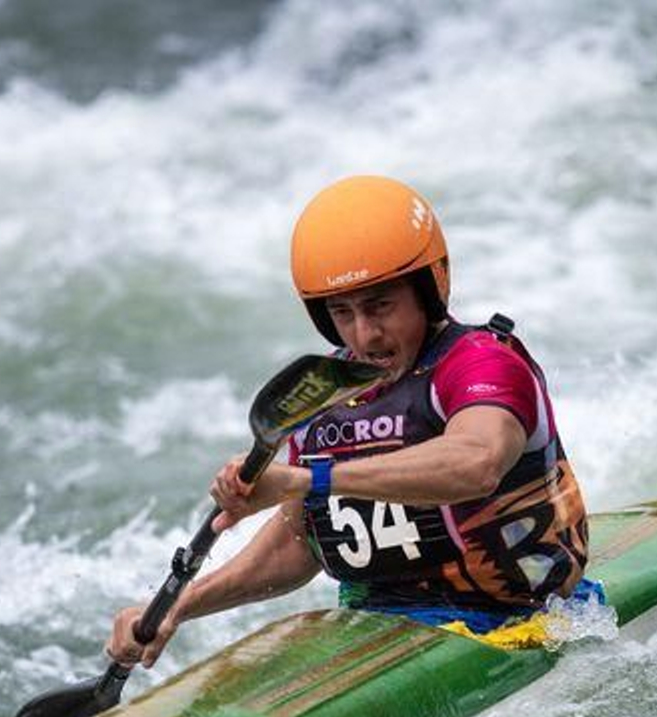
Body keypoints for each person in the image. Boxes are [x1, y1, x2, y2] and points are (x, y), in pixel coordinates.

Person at [107, 175, 590, 669]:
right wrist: (176, 607)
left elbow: (478, 461)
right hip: (379, 630)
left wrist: (306, 479)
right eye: (343, 312)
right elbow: (299, 546)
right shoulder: (323, 395)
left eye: (381, 306)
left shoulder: (482, 365)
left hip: (520, 625)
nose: (366, 334)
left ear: (429, 289)